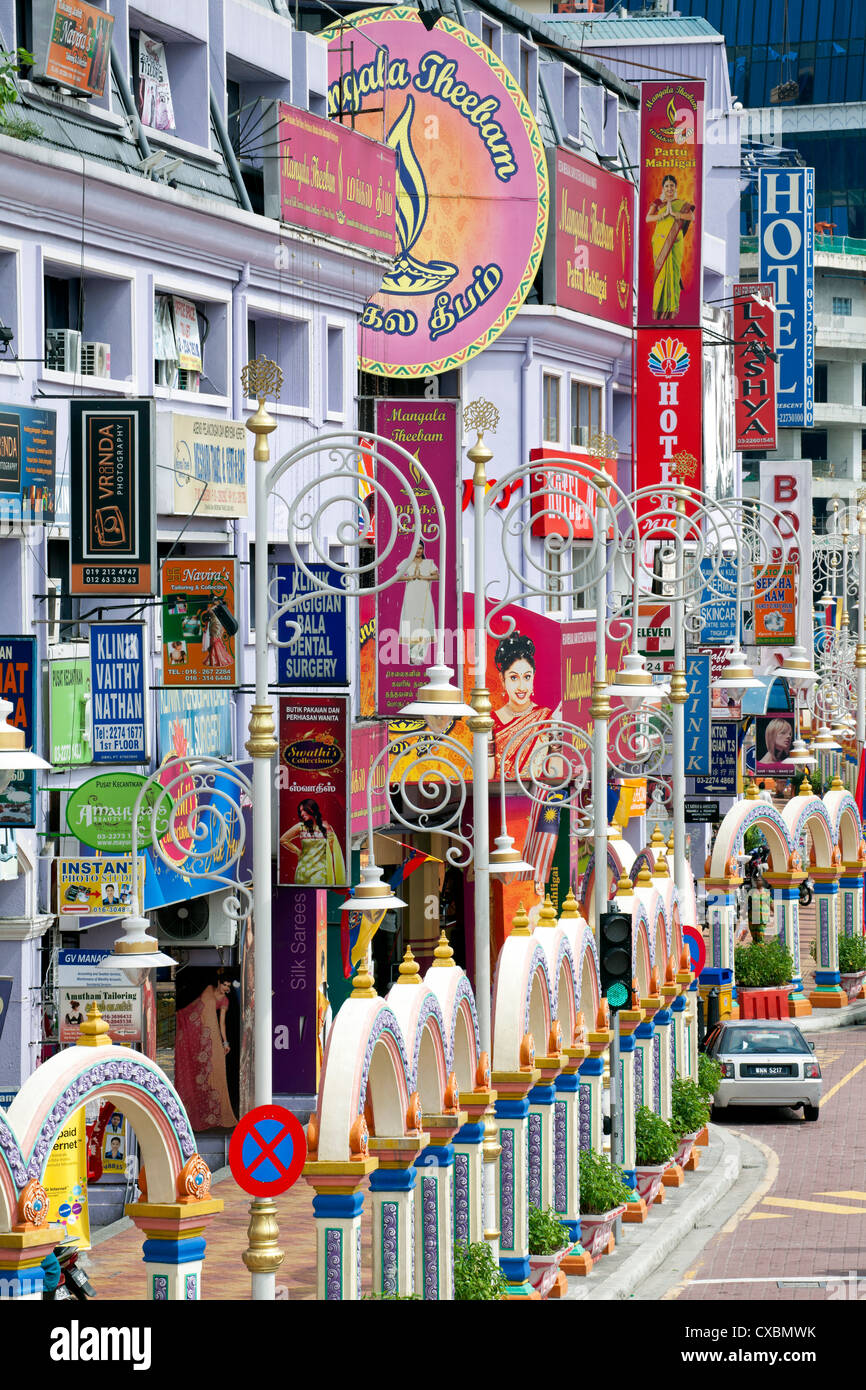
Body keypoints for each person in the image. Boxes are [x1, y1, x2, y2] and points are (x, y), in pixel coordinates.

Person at [174, 970, 238, 1130]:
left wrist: (225, 1042)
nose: (226, 988)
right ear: (219, 982)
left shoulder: (224, 1001)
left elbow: (221, 1023)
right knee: (190, 1063)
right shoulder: (208, 989)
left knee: (213, 1070)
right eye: (224, 984)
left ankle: (209, 1114)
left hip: (208, 1036)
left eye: (228, 986)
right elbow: (196, 1006)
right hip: (193, 1029)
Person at [488, 633, 555, 780]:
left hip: (537, 797)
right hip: (499, 797)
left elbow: (556, 775)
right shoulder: (490, 722)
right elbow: (487, 778)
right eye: (513, 678)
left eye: (527, 677)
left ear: (533, 677)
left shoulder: (546, 719)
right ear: (502, 679)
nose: (521, 686)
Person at [645, 173, 696, 320]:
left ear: (675, 187)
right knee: (661, 273)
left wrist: (674, 214)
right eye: (667, 186)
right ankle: (659, 309)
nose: (669, 188)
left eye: (672, 186)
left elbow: (691, 217)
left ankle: (672, 309)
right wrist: (663, 215)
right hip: (661, 241)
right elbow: (648, 218)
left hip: (676, 241)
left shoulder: (681, 204)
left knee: (674, 272)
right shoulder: (657, 202)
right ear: (663, 188)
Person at [280, 798, 346, 885]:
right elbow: (283, 840)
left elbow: (333, 850)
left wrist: (329, 830)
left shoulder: (325, 827)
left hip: (320, 872)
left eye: (304, 810)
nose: (302, 814)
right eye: (300, 811)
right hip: (302, 872)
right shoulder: (301, 827)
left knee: (318, 897)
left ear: (312, 809)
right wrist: (298, 851)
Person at [399, 542, 438, 664]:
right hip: (411, 596)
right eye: (416, 548)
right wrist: (410, 578)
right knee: (411, 624)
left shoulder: (428, 563)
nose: (418, 551)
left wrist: (422, 577)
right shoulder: (407, 561)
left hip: (424, 597)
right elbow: (397, 576)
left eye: (420, 548)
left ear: (423, 550)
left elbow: (437, 577)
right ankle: (412, 655)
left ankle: (420, 655)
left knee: (424, 623)